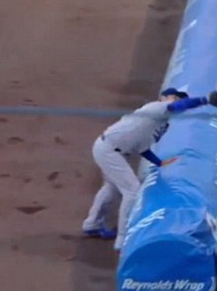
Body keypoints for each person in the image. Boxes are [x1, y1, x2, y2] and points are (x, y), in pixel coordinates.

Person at [82, 89, 210, 250]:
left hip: (112, 150)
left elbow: (142, 148)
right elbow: (179, 105)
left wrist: (159, 163)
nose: (175, 100)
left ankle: (92, 224)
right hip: (108, 149)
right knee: (132, 191)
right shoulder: (156, 107)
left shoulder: (161, 122)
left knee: (111, 188)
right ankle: (123, 239)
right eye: (173, 97)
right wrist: (205, 99)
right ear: (163, 97)